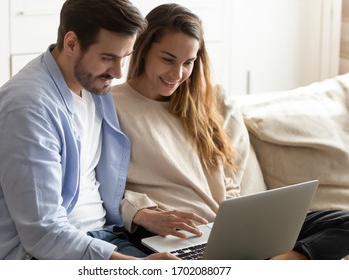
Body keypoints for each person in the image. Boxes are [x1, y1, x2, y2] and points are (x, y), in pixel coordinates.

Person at [112, 3, 349, 260]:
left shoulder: (206, 104)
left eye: (188, 63)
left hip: (224, 230)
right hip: (172, 234)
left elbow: (228, 181)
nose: (177, 74)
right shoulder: (112, 105)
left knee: (344, 221)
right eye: (167, 59)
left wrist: (244, 222)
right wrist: (141, 213)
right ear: (143, 49)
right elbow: (98, 188)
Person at [0, 0, 177, 260]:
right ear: (72, 43)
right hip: (33, 257)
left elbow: (91, 187)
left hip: (102, 237)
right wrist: (133, 267)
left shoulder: (94, 88)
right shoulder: (27, 110)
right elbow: (44, 234)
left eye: (125, 57)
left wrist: (137, 215)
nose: (118, 72)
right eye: (108, 57)